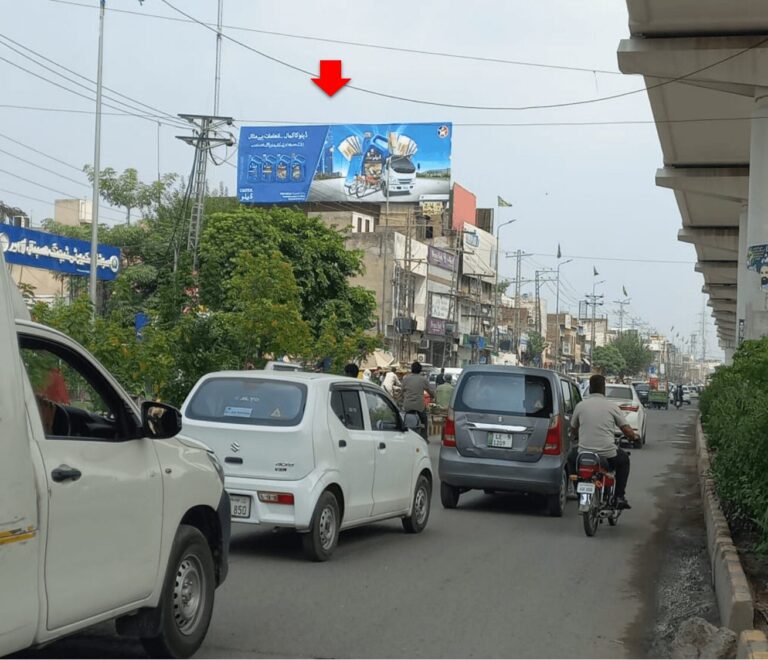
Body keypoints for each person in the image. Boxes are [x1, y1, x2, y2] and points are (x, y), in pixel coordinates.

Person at [569, 374, 638, 510]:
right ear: (604, 389)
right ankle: (619, 496)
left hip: (584, 453)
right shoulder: (611, 407)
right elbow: (626, 430)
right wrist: (634, 437)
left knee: (571, 458)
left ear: (589, 389)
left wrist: (577, 436)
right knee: (624, 460)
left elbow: (573, 429)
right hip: (608, 454)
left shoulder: (580, 406)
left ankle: (578, 489)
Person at [400, 361, 434, 441]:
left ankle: (402, 433)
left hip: (407, 405)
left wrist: (402, 399)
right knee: (424, 419)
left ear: (411, 369)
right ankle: (424, 437)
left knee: (403, 419)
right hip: (419, 406)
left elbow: (402, 392)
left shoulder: (406, 379)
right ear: (420, 370)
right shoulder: (423, 379)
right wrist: (433, 397)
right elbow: (430, 391)